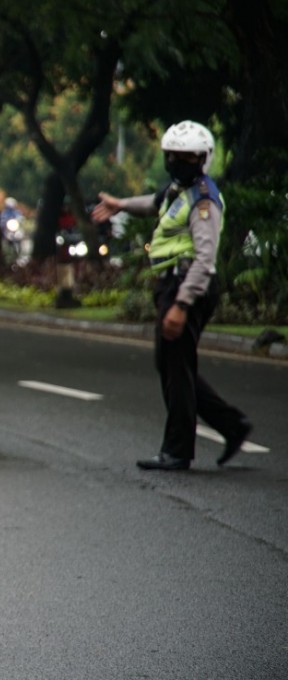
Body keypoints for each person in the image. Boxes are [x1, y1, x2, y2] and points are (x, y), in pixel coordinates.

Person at [91, 120, 251, 471]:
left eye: (187, 157)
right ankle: (231, 424)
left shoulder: (204, 201)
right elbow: (153, 202)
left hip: (186, 286)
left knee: (175, 368)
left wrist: (181, 303)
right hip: (172, 285)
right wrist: (121, 203)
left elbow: (205, 259)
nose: (179, 163)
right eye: (173, 156)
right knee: (174, 365)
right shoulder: (179, 191)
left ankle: (178, 451)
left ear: (203, 159)